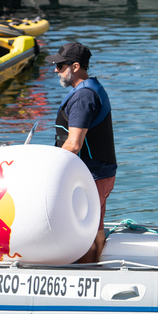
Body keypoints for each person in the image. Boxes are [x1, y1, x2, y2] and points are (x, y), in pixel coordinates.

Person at [47, 41, 117, 264]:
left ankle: (86, 276)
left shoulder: (83, 97)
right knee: (95, 228)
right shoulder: (90, 88)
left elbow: (74, 144)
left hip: (91, 176)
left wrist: (45, 166)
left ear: (75, 66)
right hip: (98, 173)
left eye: (60, 66)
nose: (55, 70)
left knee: (83, 234)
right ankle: (95, 268)